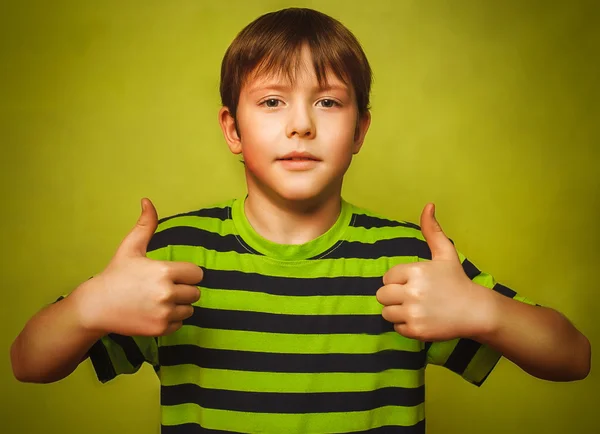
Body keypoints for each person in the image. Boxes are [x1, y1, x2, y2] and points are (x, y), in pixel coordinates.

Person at [10, 7, 590, 434]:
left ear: (360, 129)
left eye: (328, 102)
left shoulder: (411, 264)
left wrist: (482, 311)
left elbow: (573, 358)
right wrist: (89, 306)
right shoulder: (175, 257)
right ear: (232, 129)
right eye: (271, 102)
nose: (301, 126)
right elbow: (27, 363)